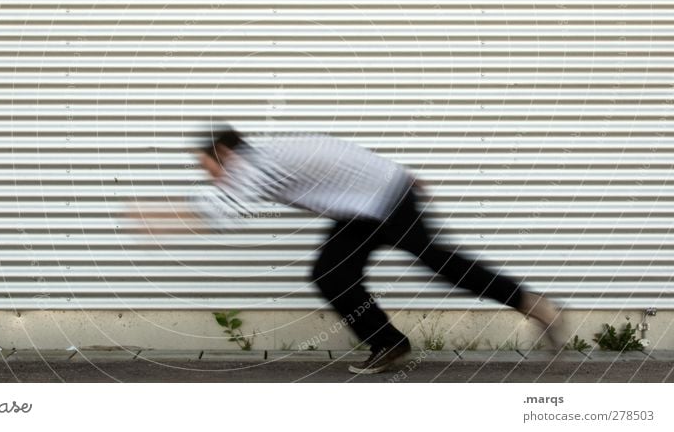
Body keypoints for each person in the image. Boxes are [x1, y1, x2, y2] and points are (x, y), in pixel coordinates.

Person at [125, 125, 565, 375]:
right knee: (331, 274)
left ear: (224, 153)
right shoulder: (268, 152)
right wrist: (399, 173)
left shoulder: (252, 162)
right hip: (368, 204)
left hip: (385, 203)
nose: (212, 177)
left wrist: (156, 219)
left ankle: (535, 305)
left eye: (209, 169)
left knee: (443, 266)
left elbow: (221, 211)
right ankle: (389, 344)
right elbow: (336, 152)